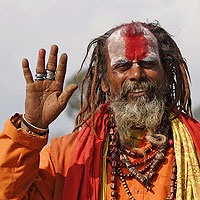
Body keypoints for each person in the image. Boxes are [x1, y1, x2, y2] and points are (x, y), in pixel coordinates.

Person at [0, 21, 200, 200]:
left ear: (166, 76)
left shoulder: (196, 145)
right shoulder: (64, 157)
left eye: (148, 64)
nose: (137, 74)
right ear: (104, 81)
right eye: (122, 66)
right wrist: (32, 127)